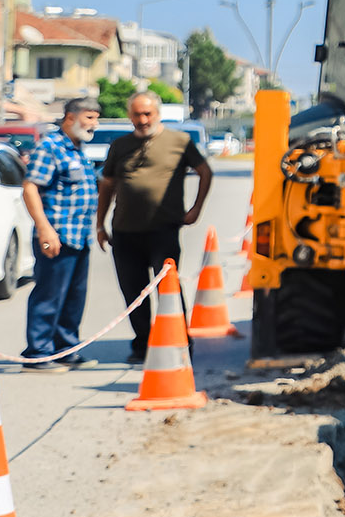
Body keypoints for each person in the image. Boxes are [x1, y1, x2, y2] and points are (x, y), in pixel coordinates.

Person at [96, 90, 212, 363]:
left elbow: (205, 172)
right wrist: (100, 225)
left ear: (158, 114)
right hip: (125, 233)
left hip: (163, 231)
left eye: (147, 113)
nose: (142, 119)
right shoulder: (119, 145)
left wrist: (195, 209)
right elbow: (108, 185)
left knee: (169, 291)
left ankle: (180, 343)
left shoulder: (179, 141)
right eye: (137, 114)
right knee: (133, 294)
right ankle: (143, 345)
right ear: (130, 116)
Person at [20, 97, 102, 367]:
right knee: (49, 296)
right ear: (70, 117)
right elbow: (31, 186)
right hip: (57, 236)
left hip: (79, 236)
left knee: (73, 298)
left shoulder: (77, 149)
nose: (95, 124)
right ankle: (38, 354)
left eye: (95, 118)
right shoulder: (51, 146)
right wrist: (45, 229)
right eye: (89, 117)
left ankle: (65, 349)